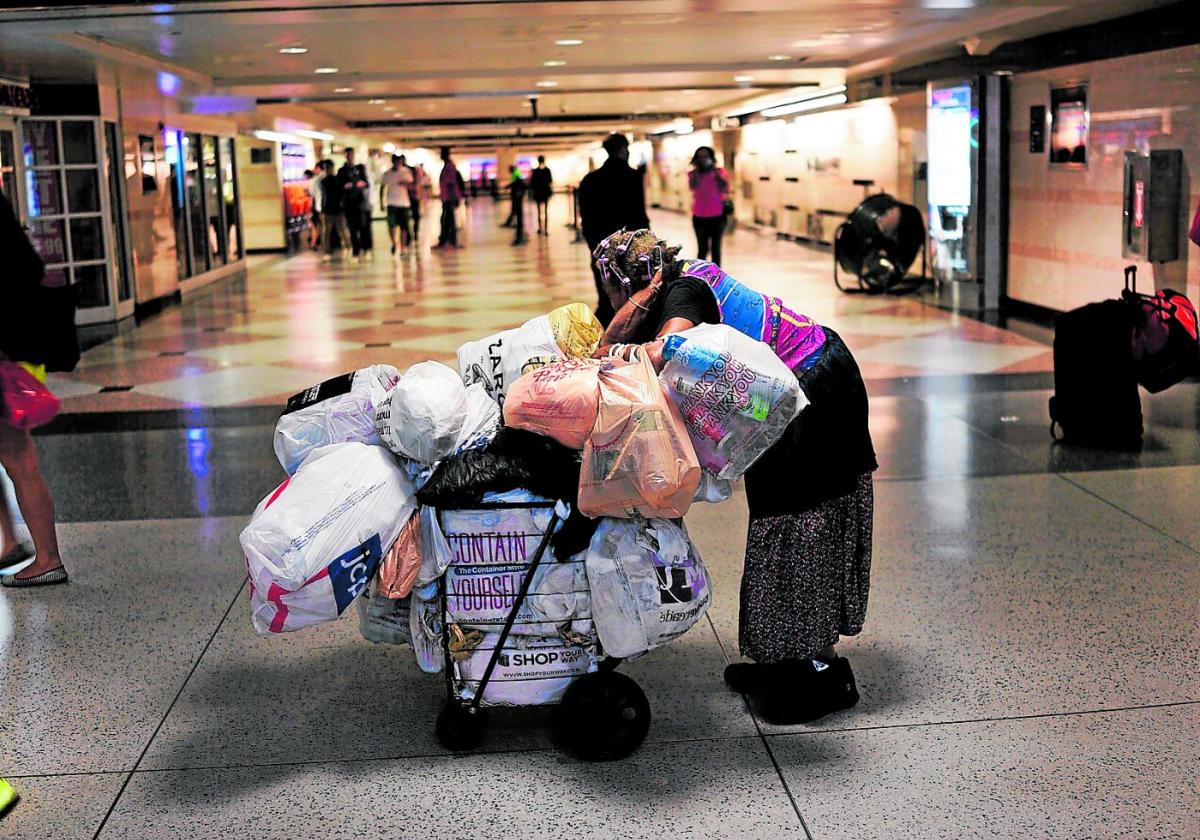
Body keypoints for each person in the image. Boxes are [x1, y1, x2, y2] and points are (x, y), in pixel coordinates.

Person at [591, 227, 877, 725]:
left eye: (609, 285)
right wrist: (625, 319)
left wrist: (622, 344)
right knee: (777, 526)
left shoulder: (684, 292)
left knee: (803, 529)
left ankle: (820, 675)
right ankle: (781, 660)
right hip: (783, 397)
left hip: (817, 392)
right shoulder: (667, 286)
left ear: (628, 281)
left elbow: (669, 347)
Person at [0, 191, 69, 588]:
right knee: (15, 455)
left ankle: (46, 557)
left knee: (18, 457)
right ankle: (12, 543)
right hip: (13, 349)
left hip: (3, 356)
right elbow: (30, 267)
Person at [577, 133, 650, 326]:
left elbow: (586, 219)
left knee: (606, 295)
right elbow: (639, 216)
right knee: (633, 295)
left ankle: (605, 335)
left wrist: (594, 247)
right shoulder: (633, 177)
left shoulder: (589, 180)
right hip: (630, 246)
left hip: (601, 246)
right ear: (622, 150)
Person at [688, 145, 731, 266]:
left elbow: (727, 188)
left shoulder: (719, 172)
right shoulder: (693, 174)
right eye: (700, 157)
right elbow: (692, 187)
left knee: (716, 249)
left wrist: (717, 174)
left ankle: (717, 276)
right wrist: (697, 170)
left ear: (711, 158)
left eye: (706, 156)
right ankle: (700, 275)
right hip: (699, 216)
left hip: (717, 216)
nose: (703, 159)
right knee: (702, 249)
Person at [338, 149, 371, 262]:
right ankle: (355, 251)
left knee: (363, 227)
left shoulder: (360, 169)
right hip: (349, 203)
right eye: (348, 155)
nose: (350, 157)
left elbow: (366, 183)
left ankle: (366, 249)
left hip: (360, 203)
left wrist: (362, 184)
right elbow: (339, 185)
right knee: (352, 228)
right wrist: (345, 186)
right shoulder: (342, 171)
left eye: (351, 154)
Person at [379, 154, 414, 258]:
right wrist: (381, 202)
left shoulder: (406, 172)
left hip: (403, 203)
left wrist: (406, 184)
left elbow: (412, 186)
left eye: (400, 162)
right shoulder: (387, 174)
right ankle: (394, 243)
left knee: (404, 227)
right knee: (391, 225)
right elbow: (382, 188)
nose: (398, 164)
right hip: (391, 203)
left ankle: (403, 247)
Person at [320, 160, 352, 262]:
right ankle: (327, 251)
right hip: (328, 209)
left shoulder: (337, 180)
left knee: (341, 229)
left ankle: (349, 247)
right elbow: (323, 196)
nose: (327, 170)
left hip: (337, 209)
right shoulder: (324, 181)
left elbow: (342, 194)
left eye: (328, 168)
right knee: (327, 231)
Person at [435, 146, 464, 250]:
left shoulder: (449, 167)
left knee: (448, 220)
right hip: (448, 198)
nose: (440, 155)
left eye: (442, 153)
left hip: (449, 198)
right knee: (446, 219)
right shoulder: (448, 166)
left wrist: (452, 198)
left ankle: (450, 241)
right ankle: (446, 241)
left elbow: (451, 183)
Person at [530, 155, 553, 235]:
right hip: (545, 192)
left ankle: (540, 228)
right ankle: (545, 229)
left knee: (539, 211)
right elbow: (550, 181)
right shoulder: (547, 170)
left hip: (538, 193)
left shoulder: (535, 171)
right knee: (545, 211)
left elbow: (532, 183)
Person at [508, 165, 528, 246]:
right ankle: (519, 235)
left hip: (517, 199)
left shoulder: (517, 176)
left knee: (518, 215)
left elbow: (519, 184)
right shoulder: (516, 175)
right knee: (517, 215)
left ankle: (520, 237)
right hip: (517, 198)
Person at [306, 167, 324, 251]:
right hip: (316, 206)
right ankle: (314, 242)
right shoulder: (315, 181)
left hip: (314, 205)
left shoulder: (312, 182)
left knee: (316, 226)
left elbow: (310, 194)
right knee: (317, 225)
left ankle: (314, 242)